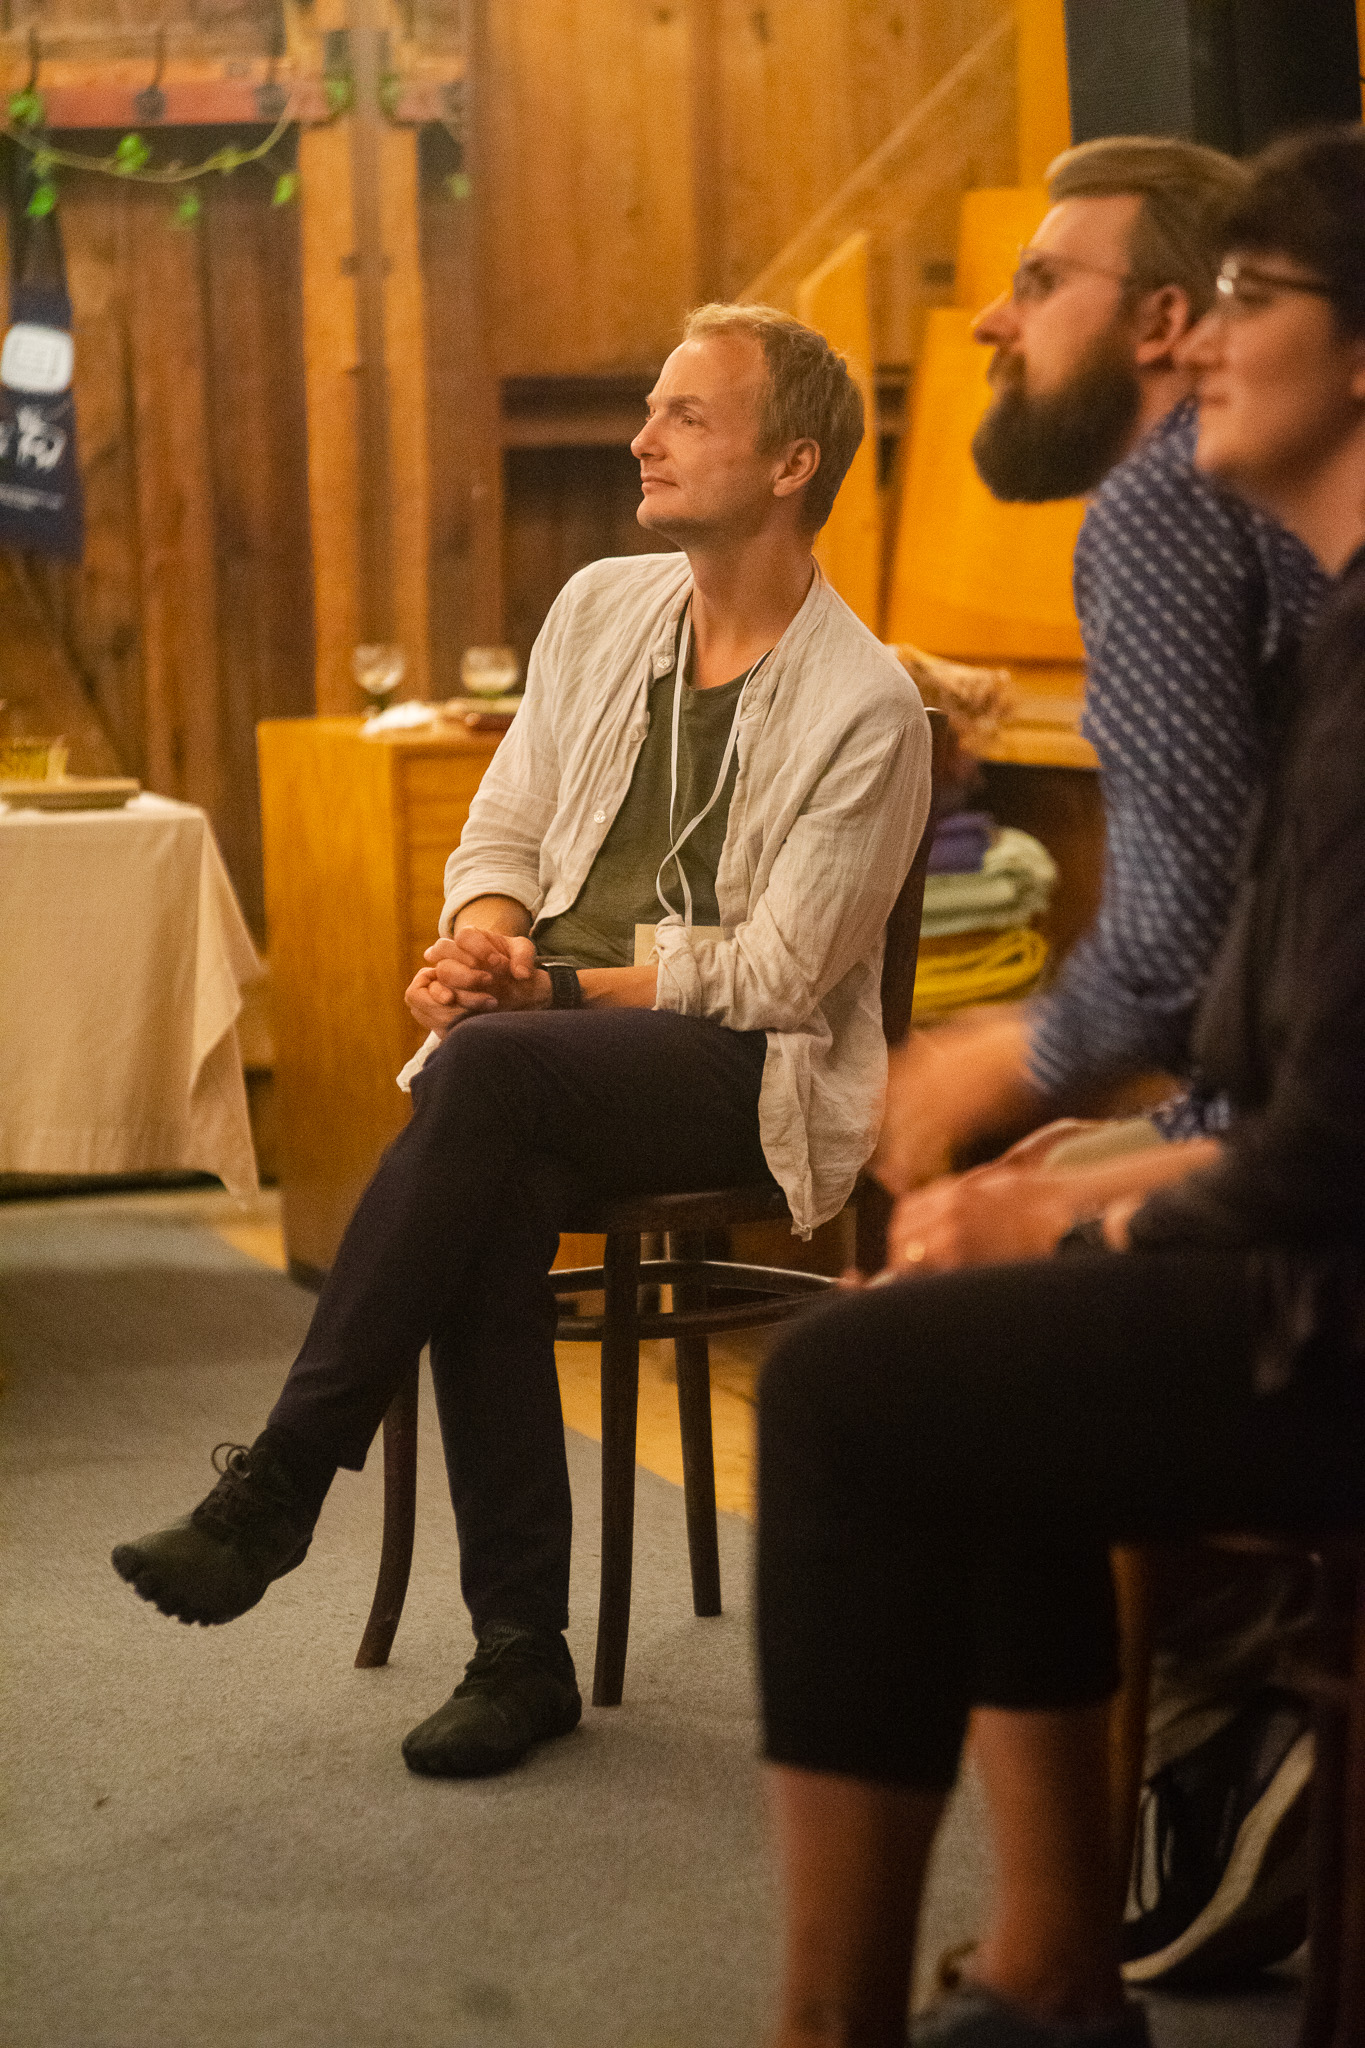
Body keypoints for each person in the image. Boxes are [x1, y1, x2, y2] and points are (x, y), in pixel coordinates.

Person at [111, 302, 930, 1780]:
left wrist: (545, 995)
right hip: (547, 1060)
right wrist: (484, 942)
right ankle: (519, 1653)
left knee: (485, 1085)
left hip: (744, 1072)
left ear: (792, 461)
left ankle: (281, 1488)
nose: (642, 436)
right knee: (491, 1165)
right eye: (651, 407)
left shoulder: (867, 704)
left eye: (685, 413)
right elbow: (504, 827)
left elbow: (779, 976)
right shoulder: (601, 607)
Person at [756, 125, 1365, 2048]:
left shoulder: (1173, 519)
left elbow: (1227, 1015)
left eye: (1040, 281)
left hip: (1321, 1263)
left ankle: (1072, 1888)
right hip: (1298, 1183)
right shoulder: (1326, 604)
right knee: (969, 1303)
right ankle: (1056, 1942)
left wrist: (1033, 1117)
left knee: (867, 1370)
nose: (993, 321)